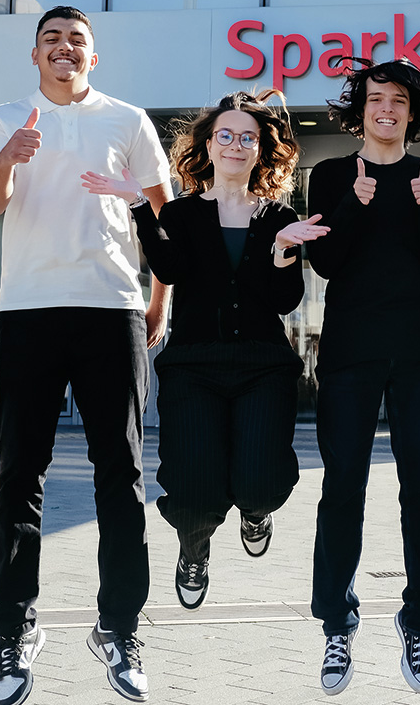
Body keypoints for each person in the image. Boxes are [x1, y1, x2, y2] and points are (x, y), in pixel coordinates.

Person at [0, 6, 172, 705]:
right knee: (17, 472)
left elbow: (160, 212)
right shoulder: (6, 117)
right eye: (52, 39)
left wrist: (160, 299)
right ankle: (15, 628)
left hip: (112, 308)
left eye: (77, 40)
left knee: (120, 474)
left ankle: (119, 627)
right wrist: (6, 159)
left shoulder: (128, 120)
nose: (65, 48)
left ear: (95, 55)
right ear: (35, 54)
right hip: (27, 311)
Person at [79, 90, 328, 610]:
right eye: (226, 135)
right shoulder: (186, 212)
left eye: (248, 137)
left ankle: (256, 511)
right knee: (193, 493)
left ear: (260, 150)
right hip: (193, 365)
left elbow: (285, 301)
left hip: (263, 365)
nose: (236, 144)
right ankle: (194, 546)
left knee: (260, 484)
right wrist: (139, 205)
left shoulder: (279, 215)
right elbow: (170, 270)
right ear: (209, 146)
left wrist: (284, 251)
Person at [305, 58, 420, 697]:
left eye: (398, 100)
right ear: (359, 108)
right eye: (375, 99)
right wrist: (352, 204)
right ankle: (337, 624)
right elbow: (326, 259)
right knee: (344, 487)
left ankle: (419, 622)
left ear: (412, 112)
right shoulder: (331, 174)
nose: (386, 109)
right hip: (349, 353)